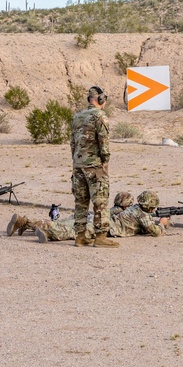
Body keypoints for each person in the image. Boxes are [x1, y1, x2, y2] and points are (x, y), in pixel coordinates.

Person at [7, 191, 168, 243]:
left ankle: (26, 222)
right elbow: (154, 231)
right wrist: (162, 223)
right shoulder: (141, 214)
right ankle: (47, 231)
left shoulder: (133, 208)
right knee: (72, 231)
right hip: (104, 227)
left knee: (68, 225)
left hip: (98, 220)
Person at [70, 85, 115, 247]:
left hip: (78, 165)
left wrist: (76, 162)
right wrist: (105, 161)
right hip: (95, 166)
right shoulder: (99, 116)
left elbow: (73, 143)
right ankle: (100, 237)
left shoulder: (77, 117)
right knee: (100, 200)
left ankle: (80, 236)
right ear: (101, 100)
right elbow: (104, 142)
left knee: (80, 202)